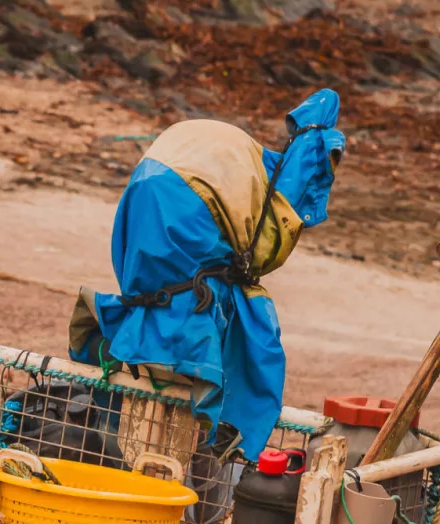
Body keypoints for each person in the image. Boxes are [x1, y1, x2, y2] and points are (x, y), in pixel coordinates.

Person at [69, 89, 345, 463]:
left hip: (161, 189)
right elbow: (259, 256)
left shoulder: (255, 171)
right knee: (234, 357)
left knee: (152, 383)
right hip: (189, 200)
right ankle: (213, 467)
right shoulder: (278, 189)